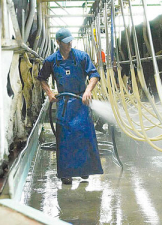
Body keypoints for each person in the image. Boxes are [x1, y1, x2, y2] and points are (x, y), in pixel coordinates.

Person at [37, 28, 103, 185]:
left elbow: (94, 75)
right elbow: (42, 78)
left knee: (84, 137)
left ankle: (84, 170)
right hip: (64, 103)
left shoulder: (81, 56)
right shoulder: (51, 60)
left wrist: (88, 91)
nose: (69, 45)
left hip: (81, 101)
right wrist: (49, 92)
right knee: (65, 139)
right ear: (58, 42)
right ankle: (66, 173)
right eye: (66, 43)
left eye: (70, 42)